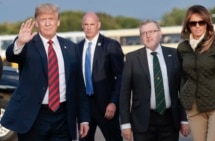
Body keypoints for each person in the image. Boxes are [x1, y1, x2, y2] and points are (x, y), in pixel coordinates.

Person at [1, 3, 90, 141]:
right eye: (43, 19)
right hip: (33, 116)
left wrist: (84, 119)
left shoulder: (71, 48)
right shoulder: (27, 44)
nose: (48, 23)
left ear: (58, 22)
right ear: (37, 23)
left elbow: (79, 85)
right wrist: (19, 42)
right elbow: (13, 55)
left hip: (63, 117)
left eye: (51, 19)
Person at [119, 19, 190, 141]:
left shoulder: (174, 55)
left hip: (170, 120)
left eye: (152, 31)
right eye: (144, 33)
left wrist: (184, 119)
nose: (148, 35)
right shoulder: (132, 59)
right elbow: (124, 94)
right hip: (142, 122)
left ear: (160, 34)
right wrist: (125, 123)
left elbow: (182, 90)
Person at [177, 5, 215, 141]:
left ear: (207, 23)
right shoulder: (182, 48)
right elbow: (183, 77)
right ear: (188, 25)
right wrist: (184, 98)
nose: (198, 26)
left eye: (202, 22)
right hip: (193, 108)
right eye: (193, 23)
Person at [77, 12, 124, 141]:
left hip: (106, 107)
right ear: (82, 26)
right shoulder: (77, 48)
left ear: (99, 25)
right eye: (86, 24)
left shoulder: (111, 45)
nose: (89, 27)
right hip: (85, 108)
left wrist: (113, 102)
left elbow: (121, 76)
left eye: (92, 24)